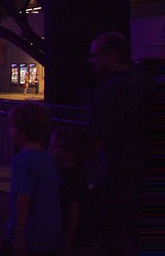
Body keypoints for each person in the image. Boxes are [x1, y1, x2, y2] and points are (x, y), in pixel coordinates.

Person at [87, 31, 149, 255]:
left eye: (95, 55)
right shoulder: (142, 85)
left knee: (110, 240)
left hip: (115, 178)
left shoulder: (108, 92)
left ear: (111, 56)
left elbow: (95, 141)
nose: (91, 61)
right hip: (140, 176)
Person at [0, 103, 63, 256]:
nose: (10, 131)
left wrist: (19, 235)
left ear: (22, 132)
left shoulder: (21, 160)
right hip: (49, 234)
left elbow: (23, 199)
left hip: (29, 233)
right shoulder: (49, 158)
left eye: (12, 127)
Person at [50, 126, 91, 255]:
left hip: (73, 239)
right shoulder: (76, 174)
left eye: (54, 146)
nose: (50, 150)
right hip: (76, 237)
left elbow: (73, 210)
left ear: (68, 152)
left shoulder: (70, 177)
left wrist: (67, 240)